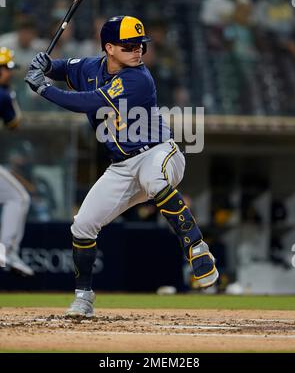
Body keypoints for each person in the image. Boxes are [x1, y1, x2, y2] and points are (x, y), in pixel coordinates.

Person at [25, 16, 218, 317]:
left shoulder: (139, 79)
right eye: (128, 46)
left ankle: (195, 247)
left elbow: (88, 102)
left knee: (155, 181)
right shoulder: (91, 67)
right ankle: (83, 297)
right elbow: (65, 68)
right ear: (109, 48)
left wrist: (43, 89)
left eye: (140, 45)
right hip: (122, 167)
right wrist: (47, 66)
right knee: (83, 224)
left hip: (159, 153)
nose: (137, 50)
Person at [0, 47, 34, 276]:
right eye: (5, 69)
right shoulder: (3, 94)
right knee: (19, 198)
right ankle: (6, 251)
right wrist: (12, 95)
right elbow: (14, 124)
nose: (8, 73)